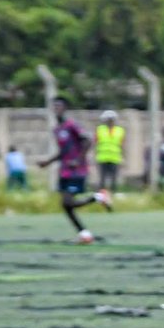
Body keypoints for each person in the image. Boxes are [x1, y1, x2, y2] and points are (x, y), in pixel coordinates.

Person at [37, 97, 113, 242]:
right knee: (66, 205)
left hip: (76, 171)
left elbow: (88, 140)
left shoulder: (71, 125)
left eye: (59, 106)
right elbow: (63, 151)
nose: (56, 109)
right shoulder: (57, 130)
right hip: (64, 171)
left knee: (68, 202)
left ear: (65, 108)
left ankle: (99, 197)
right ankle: (84, 234)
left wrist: (78, 160)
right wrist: (47, 162)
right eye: (54, 107)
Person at [95, 110, 126, 192]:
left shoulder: (120, 130)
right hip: (103, 157)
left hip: (115, 157)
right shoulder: (100, 129)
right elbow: (96, 143)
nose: (110, 121)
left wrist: (123, 157)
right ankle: (101, 195)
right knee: (102, 178)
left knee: (114, 179)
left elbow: (122, 144)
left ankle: (113, 193)